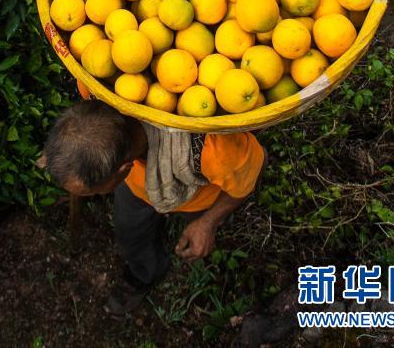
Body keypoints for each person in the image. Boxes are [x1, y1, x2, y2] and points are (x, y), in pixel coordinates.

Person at [39, 99, 266, 316]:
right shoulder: (101, 87)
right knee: (131, 235)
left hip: (198, 199)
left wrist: (208, 222)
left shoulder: (213, 151)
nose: (96, 196)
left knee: (202, 221)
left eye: (97, 192)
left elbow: (252, 171)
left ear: (124, 168)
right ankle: (144, 272)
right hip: (135, 190)